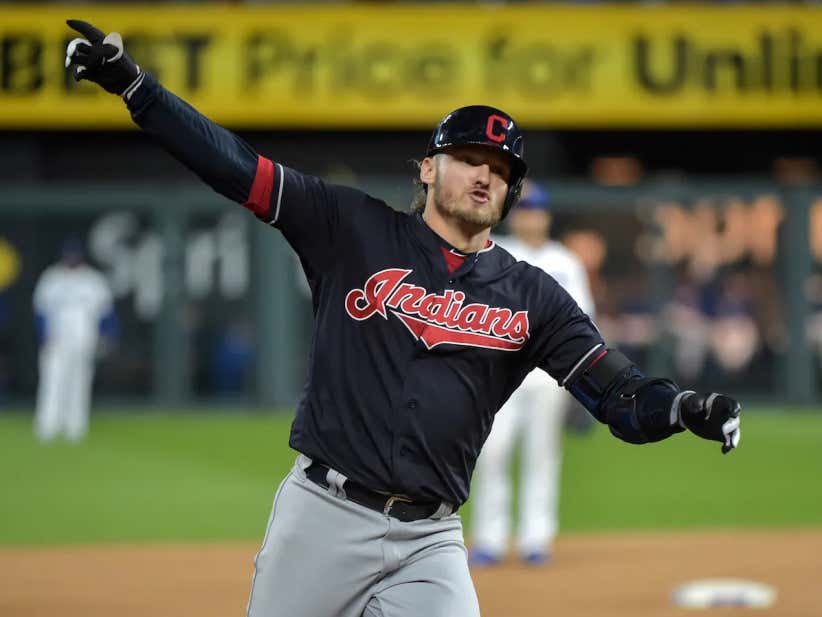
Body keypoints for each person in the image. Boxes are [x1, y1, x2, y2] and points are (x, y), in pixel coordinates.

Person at [64, 20, 742, 617]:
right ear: (427, 169)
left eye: (499, 169)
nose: (484, 175)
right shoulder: (350, 227)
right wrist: (137, 89)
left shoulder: (534, 295)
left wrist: (683, 408)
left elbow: (617, 395)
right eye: (468, 159)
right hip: (323, 517)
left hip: (431, 540)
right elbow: (236, 166)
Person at [470, 180, 595, 567]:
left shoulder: (565, 261)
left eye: (536, 211)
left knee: (542, 454)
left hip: (548, 374)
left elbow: (582, 320)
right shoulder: (494, 252)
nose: (530, 218)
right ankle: (489, 538)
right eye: (524, 211)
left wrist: (580, 381)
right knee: (492, 452)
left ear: (547, 217)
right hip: (500, 371)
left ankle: (535, 539)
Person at [33, 237, 116, 442]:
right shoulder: (52, 277)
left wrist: (106, 337)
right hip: (56, 338)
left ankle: (75, 426)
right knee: (53, 380)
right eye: (68, 256)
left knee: (80, 382)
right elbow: (41, 311)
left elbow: (106, 313)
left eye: (74, 256)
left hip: (84, 338)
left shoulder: (93, 280)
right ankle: (48, 424)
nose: (71, 259)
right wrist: (43, 336)